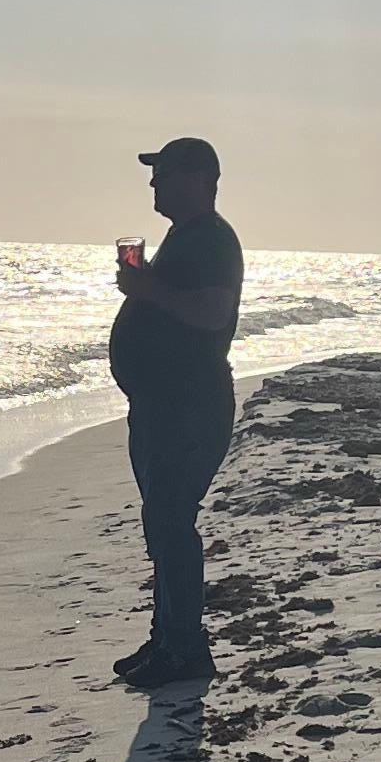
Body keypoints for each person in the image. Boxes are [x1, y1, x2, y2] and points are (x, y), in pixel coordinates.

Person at [108, 135, 243, 691]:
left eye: (161, 171)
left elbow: (211, 312)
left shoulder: (210, 238)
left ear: (196, 178)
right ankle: (169, 637)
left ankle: (185, 648)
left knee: (171, 522)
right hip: (166, 403)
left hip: (188, 405)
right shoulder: (185, 237)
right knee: (161, 522)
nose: (153, 182)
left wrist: (146, 290)